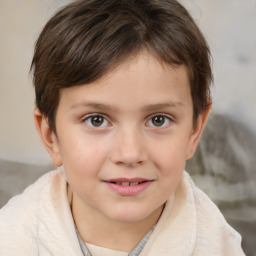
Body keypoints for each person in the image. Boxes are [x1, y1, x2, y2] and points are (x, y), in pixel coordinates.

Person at [0, 0, 245, 255]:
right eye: (96, 120)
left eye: (158, 120)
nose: (130, 154)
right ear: (52, 137)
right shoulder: (10, 240)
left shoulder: (218, 245)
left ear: (194, 131)